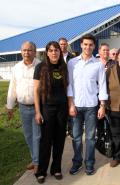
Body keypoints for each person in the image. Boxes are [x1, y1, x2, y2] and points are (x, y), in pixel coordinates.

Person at [67, 34, 108, 176]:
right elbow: (69, 85)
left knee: (90, 138)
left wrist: (102, 105)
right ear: (81, 45)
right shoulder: (72, 63)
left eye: (90, 45)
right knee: (76, 137)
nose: (88, 47)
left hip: (91, 106)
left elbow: (102, 85)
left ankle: (89, 163)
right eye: (85, 44)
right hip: (76, 106)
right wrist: (70, 104)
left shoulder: (98, 64)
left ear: (94, 46)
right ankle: (77, 162)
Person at [34, 41, 68, 183]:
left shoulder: (63, 67)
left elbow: (67, 88)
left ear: (60, 52)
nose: (54, 53)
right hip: (47, 108)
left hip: (62, 109)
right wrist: (38, 111)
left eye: (56, 50)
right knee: (46, 141)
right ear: (47, 52)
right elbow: (35, 91)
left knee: (59, 141)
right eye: (51, 50)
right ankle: (41, 171)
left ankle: (56, 169)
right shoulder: (40, 67)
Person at [6, 41, 41, 173]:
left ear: (34, 51)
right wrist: (10, 106)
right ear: (21, 51)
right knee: (28, 135)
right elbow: (12, 88)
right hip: (23, 107)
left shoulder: (40, 66)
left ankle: (37, 163)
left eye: (29, 50)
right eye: (24, 50)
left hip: (38, 107)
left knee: (37, 136)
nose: (26, 53)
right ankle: (34, 158)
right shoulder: (16, 68)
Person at [58, 37, 75, 138]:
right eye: (61, 44)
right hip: (60, 85)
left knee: (71, 106)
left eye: (64, 44)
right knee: (62, 108)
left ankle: (71, 129)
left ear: (67, 45)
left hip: (70, 83)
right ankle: (62, 129)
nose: (63, 46)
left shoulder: (72, 57)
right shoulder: (56, 56)